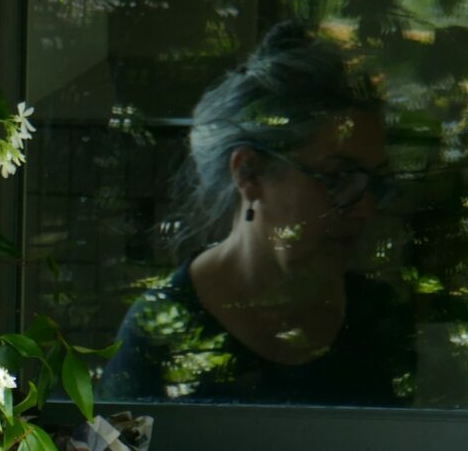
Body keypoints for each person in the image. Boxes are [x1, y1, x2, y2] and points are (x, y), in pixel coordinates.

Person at [98, 23, 413, 404]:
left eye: (375, 183)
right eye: (338, 177)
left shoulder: (378, 319)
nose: (366, 208)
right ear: (248, 173)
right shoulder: (157, 330)